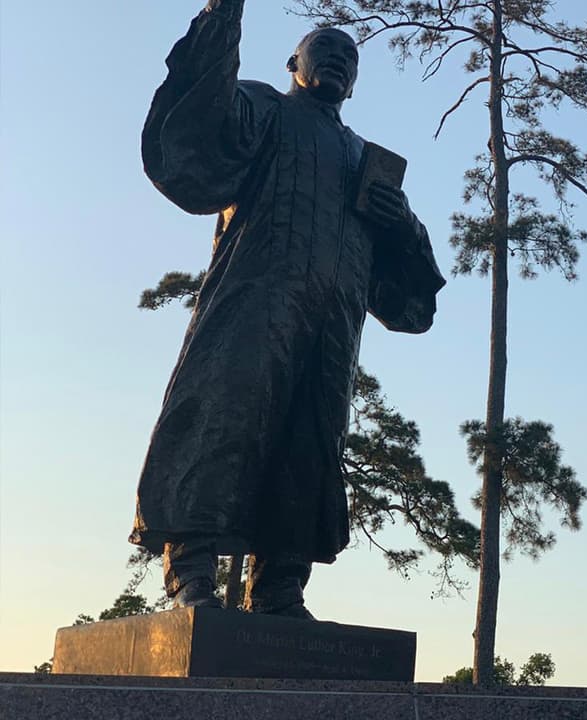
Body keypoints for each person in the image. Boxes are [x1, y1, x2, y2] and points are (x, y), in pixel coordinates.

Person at [129, 0, 446, 619]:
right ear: (293, 62)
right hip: (255, 303)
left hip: (332, 325)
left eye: (349, 57)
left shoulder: (367, 160)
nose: (337, 58)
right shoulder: (264, 109)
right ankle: (191, 570)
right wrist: (223, 17)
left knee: (309, 443)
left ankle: (280, 588)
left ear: (355, 83)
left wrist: (401, 224)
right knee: (223, 419)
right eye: (322, 48)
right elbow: (203, 126)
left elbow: (408, 294)